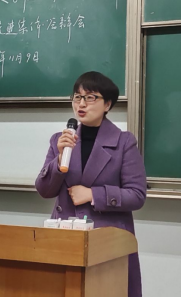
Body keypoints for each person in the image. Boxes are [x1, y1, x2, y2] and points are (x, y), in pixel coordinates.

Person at [35, 71, 147, 297]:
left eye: (90, 97)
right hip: (66, 237)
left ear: (107, 104)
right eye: (77, 97)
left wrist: (93, 195)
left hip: (107, 241)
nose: (81, 104)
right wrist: (59, 159)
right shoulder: (60, 140)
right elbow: (44, 190)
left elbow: (136, 195)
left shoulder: (124, 142)